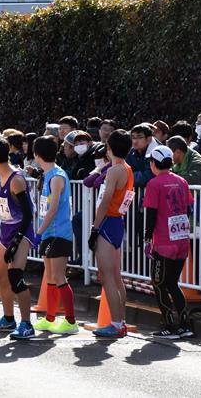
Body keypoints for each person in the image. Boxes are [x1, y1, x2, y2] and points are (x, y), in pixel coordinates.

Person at [0, 137, 38, 339]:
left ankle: (27, 324)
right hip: (6, 232)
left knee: (15, 277)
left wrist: (16, 242)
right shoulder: (1, 176)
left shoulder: (16, 179)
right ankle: (8, 319)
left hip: (21, 232)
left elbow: (28, 214)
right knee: (0, 276)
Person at [143, 146, 194, 339]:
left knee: (158, 283)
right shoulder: (182, 181)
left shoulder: (154, 184)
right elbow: (188, 208)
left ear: (154, 163)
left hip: (163, 242)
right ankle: (185, 325)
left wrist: (147, 238)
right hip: (181, 240)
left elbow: (151, 213)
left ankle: (169, 326)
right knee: (172, 283)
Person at [88, 129, 134, 338]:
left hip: (107, 222)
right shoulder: (127, 168)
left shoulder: (115, 170)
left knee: (107, 277)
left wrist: (95, 227)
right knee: (116, 277)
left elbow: (106, 201)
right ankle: (121, 321)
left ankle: (116, 323)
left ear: (109, 148)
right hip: (117, 222)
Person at [32, 136, 78, 335]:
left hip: (58, 232)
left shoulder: (57, 176)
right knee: (50, 276)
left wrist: (38, 232)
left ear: (37, 155)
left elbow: (53, 208)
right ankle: (50, 318)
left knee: (59, 276)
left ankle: (71, 321)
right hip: (49, 232)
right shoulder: (49, 174)